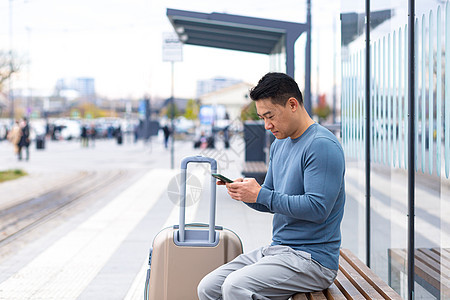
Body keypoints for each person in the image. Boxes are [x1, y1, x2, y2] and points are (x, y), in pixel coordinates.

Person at [198, 72, 346, 300]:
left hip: (313, 259)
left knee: (235, 287)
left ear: (292, 104)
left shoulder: (321, 145)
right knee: (208, 287)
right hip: (279, 250)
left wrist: (261, 194)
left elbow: (318, 208)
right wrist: (247, 193)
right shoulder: (280, 144)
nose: (267, 125)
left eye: (270, 116)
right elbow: (270, 199)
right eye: (262, 118)